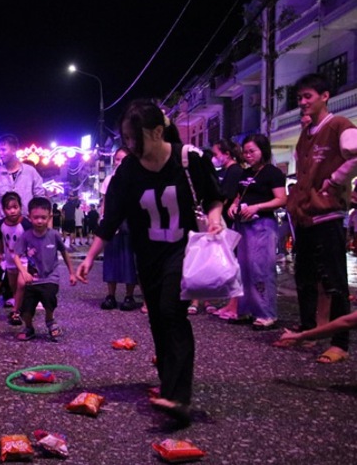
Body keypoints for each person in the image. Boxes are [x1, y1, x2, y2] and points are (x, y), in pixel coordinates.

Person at [76, 100, 223, 427]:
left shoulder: (190, 159)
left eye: (135, 137)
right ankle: (170, 387)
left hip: (183, 249)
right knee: (158, 318)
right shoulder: (127, 171)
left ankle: (180, 397)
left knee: (173, 311)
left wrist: (216, 219)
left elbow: (213, 196)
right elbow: (110, 218)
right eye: (126, 139)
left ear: (157, 131)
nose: (130, 145)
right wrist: (88, 257)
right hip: (148, 255)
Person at [285, 73, 357, 363]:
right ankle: (307, 331)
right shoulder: (307, 134)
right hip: (304, 215)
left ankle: (339, 344)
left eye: (308, 97)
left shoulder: (339, 125)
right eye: (300, 98)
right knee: (304, 277)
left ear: (324, 96)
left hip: (327, 214)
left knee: (333, 279)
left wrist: (335, 180)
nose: (302, 102)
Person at [226, 135, 287, 329]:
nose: (248, 155)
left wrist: (257, 207)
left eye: (252, 151)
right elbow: (238, 195)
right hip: (243, 224)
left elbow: (281, 199)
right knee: (243, 269)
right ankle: (245, 310)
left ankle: (266, 313)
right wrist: (234, 206)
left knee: (261, 268)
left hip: (262, 225)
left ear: (263, 150)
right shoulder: (245, 174)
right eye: (245, 152)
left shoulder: (272, 173)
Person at [14, 197, 76, 341]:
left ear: (50, 217)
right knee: (27, 309)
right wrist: (23, 272)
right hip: (32, 279)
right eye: (36, 217)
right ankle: (29, 327)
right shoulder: (26, 236)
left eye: (43, 217)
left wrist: (72, 273)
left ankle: (50, 321)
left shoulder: (54, 235)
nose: (39, 221)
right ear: (29, 217)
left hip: (50, 278)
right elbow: (16, 255)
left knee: (49, 299)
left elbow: (64, 252)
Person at [99, 147, 141, 311]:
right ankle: (111, 295)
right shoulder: (109, 179)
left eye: (123, 159)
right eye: (117, 159)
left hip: (130, 224)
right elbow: (105, 202)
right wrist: (105, 221)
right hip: (113, 225)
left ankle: (129, 296)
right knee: (111, 260)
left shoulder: (137, 178)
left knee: (129, 260)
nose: (119, 163)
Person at [0, 134, 45, 234]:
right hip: (3, 226)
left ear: (14, 149)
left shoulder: (30, 172)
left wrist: (39, 221)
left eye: (3, 150)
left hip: (28, 225)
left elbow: (39, 198)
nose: (0, 153)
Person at [210, 138, 244, 318]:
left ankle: (235, 305)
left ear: (227, 154)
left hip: (230, 223)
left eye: (216, 154)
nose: (215, 158)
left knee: (234, 264)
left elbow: (227, 196)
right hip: (226, 221)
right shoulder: (227, 171)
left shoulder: (234, 171)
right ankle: (232, 303)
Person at [0, 192, 32, 320]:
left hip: (23, 260)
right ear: (3, 209)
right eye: (9, 208)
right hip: (10, 260)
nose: (12, 211)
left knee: (21, 284)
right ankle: (20, 305)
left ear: (20, 207)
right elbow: (0, 240)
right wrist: (0, 253)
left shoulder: (26, 224)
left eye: (15, 207)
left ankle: (15, 311)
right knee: (13, 287)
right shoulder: (1, 224)